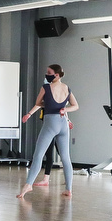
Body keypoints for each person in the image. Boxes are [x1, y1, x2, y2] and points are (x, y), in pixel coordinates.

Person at [17, 65, 79, 199]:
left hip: (51, 124)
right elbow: (75, 106)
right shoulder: (67, 88)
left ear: (56, 75)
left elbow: (38, 103)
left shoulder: (46, 88)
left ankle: (28, 185)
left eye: (49, 72)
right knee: (66, 157)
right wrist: (65, 111)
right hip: (63, 124)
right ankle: (69, 189)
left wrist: (29, 114)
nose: (47, 74)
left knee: (38, 155)